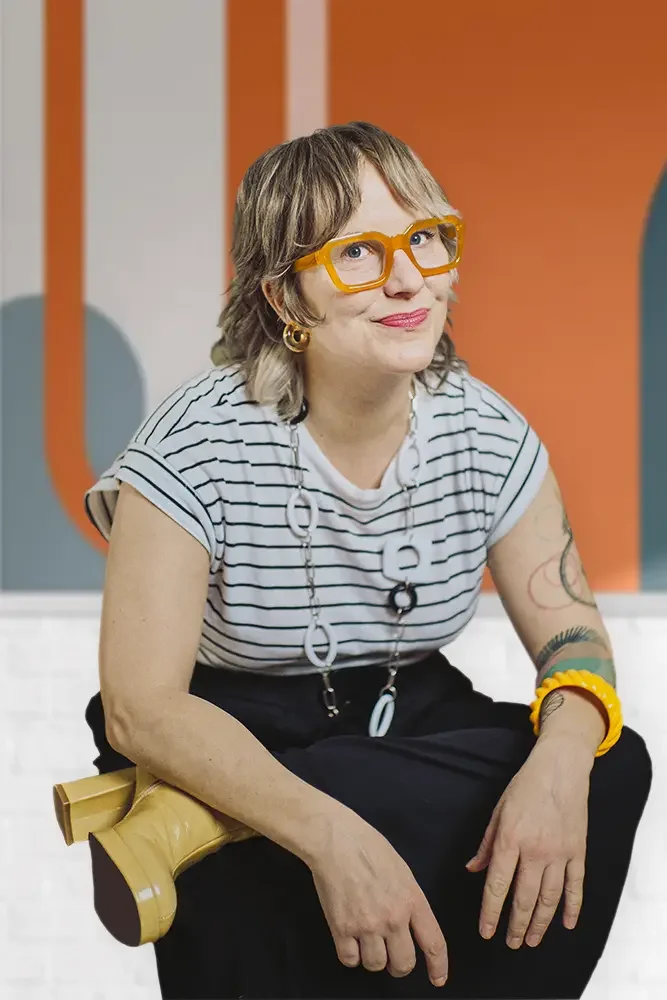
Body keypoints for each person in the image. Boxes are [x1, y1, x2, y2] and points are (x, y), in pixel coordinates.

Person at [82, 121, 651, 1000]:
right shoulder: (193, 446)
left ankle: (195, 820)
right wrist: (328, 831)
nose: (407, 277)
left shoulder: (486, 433)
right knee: (325, 802)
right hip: (228, 717)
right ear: (283, 298)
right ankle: (230, 802)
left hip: (402, 703)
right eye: (358, 253)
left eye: (424, 237)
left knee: (610, 761)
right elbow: (138, 710)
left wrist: (560, 762)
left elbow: (574, 639)